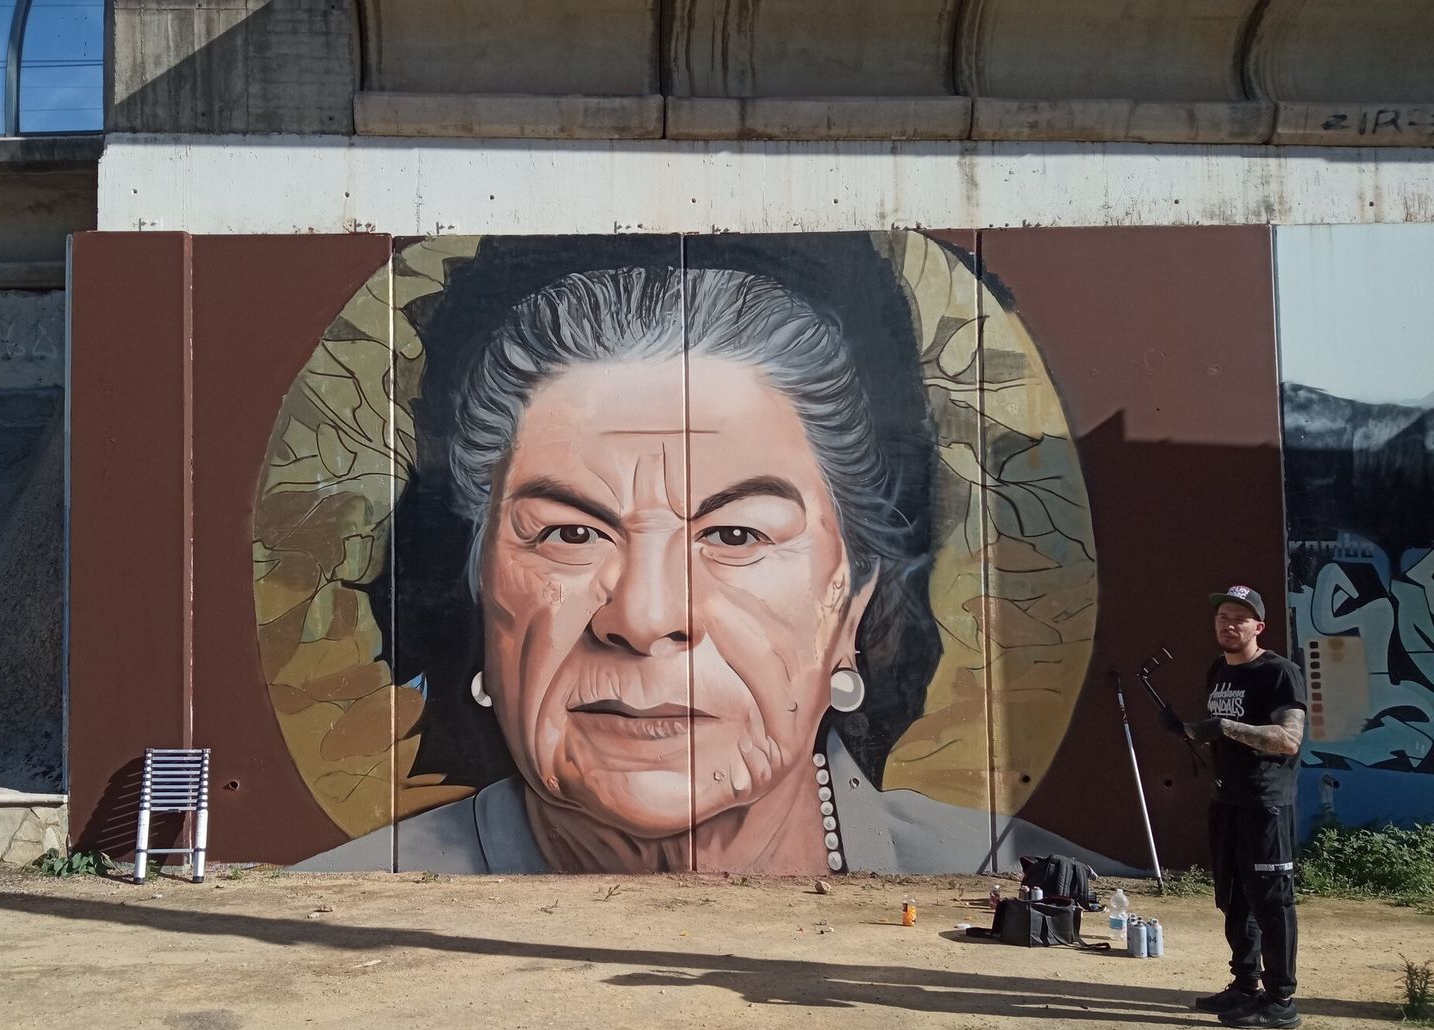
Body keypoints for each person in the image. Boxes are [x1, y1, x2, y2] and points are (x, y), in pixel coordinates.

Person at [298, 261, 1128, 877]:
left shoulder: (1028, 886)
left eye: (735, 536)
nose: (646, 614)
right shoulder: (331, 921)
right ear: (485, 596)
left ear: (850, 607)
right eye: (568, 535)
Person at [1161, 585, 1306, 1029]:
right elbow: (1214, 733)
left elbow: (1287, 739)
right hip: (1226, 800)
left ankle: (1280, 999)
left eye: (1239, 618)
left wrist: (1223, 726)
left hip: (1266, 803)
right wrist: (1186, 729)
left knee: (1271, 901)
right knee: (1235, 899)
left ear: (1258, 627)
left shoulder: (1279, 673)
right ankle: (1245, 986)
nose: (1229, 624)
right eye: (1223, 616)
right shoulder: (1218, 671)